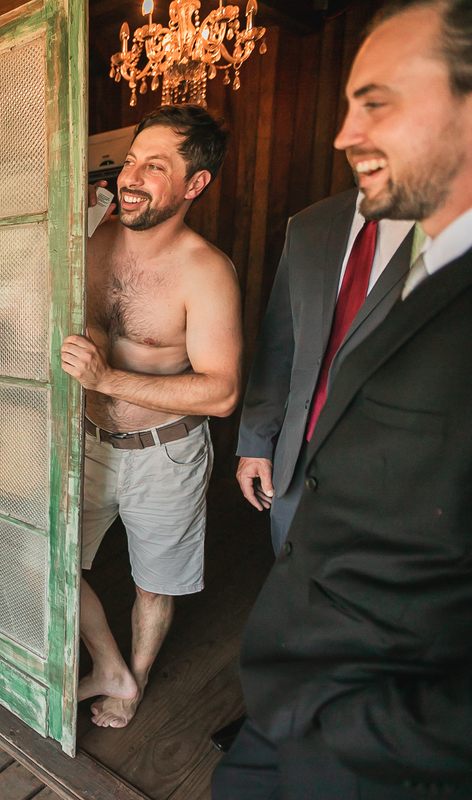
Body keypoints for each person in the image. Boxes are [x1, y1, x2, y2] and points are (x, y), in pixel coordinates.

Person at [214, 0, 472, 795]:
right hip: (298, 484)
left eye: (378, 103)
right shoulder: (319, 225)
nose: (343, 135)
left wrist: (352, 733)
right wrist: (258, 439)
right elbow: (284, 345)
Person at [62, 105, 243, 728]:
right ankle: (108, 663)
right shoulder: (99, 240)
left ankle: (129, 685)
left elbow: (221, 393)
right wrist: (88, 341)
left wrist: (108, 376)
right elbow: (88, 315)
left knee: (152, 584)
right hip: (88, 441)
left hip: (165, 453)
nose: (130, 177)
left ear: (195, 185)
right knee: (56, 558)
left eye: (154, 166)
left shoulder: (207, 271)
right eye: (132, 160)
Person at [236, 185, 415, 555]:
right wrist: (256, 443)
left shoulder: (452, 228)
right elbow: (279, 343)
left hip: (397, 476)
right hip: (297, 464)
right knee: (293, 595)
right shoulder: (308, 224)